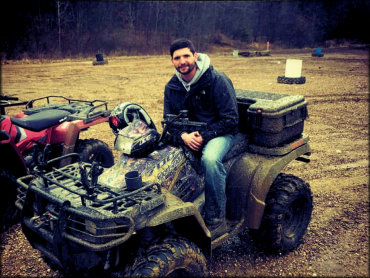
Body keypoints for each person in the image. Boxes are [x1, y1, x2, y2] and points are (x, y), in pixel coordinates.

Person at [163, 38, 239, 239]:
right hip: (189, 136)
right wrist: (183, 136)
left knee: (211, 160)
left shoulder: (217, 80)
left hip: (220, 133)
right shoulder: (172, 87)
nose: (183, 61)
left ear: (195, 56)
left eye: (186, 56)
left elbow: (230, 119)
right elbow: (169, 122)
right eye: (177, 58)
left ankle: (216, 219)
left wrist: (203, 136)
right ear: (172, 61)